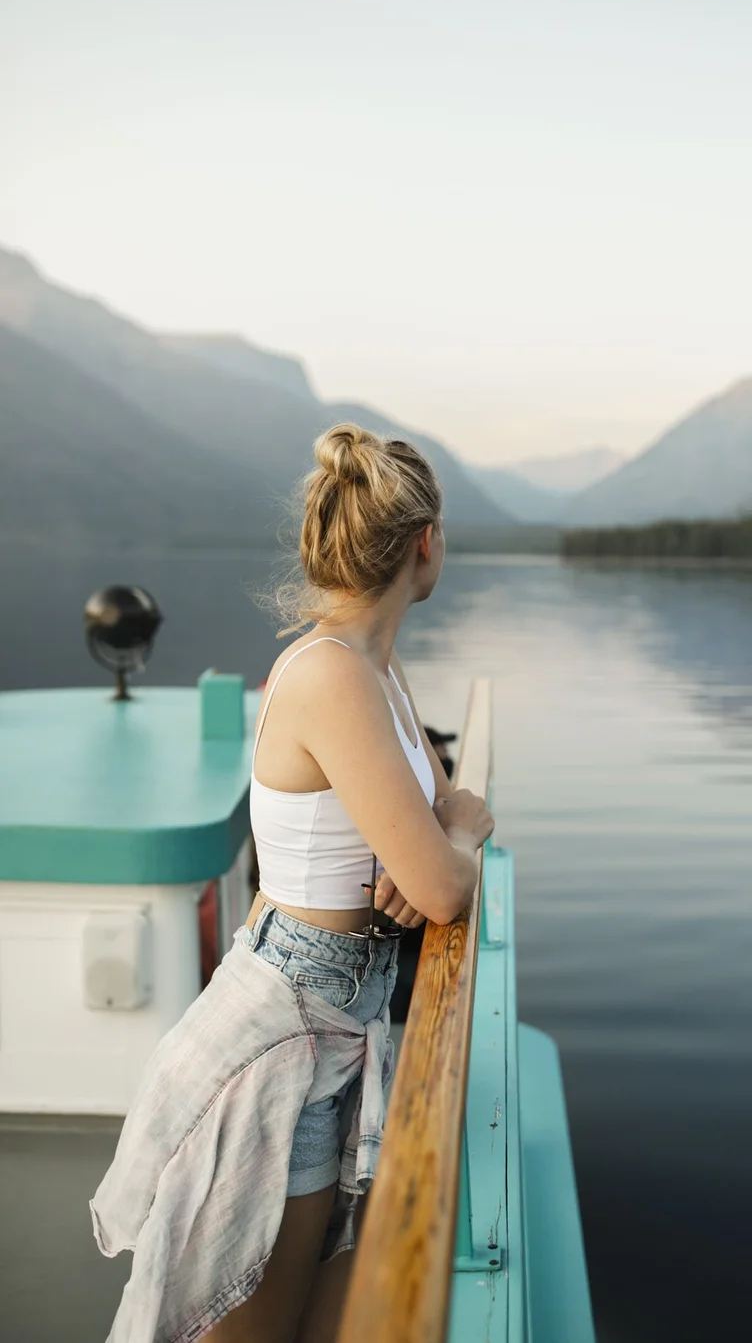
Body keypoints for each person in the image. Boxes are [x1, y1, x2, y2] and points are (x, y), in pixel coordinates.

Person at [91, 424, 494, 1343]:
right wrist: (456, 833)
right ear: (425, 543)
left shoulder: (376, 668)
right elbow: (443, 875)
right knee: (257, 1322)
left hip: (338, 1015)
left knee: (308, 1297)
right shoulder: (332, 676)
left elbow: (418, 826)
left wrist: (429, 841)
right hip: (291, 1025)